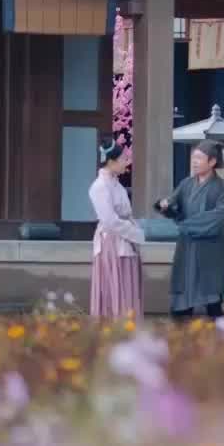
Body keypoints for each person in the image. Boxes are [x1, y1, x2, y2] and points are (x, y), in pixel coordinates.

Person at [156, 139, 224, 323]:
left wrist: (186, 225)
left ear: (212, 161)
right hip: (187, 248)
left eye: (199, 158)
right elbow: (174, 208)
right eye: (193, 158)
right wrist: (165, 206)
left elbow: (218, 216)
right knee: (183, 299)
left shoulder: (223, 188)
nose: (194, 162)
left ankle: (222, 337)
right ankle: (181, 336)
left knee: (212, 301)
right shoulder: (186, 184)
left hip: (209, 250)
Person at [89, 136, 144, 322]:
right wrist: (135, 233)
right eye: (123, 159)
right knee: (115, 286)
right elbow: (110, 220)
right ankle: (114, 326)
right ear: (111, 162)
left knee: (127, 286)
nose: (126, 162)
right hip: (112, 242)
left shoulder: (115, 183)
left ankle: (128, 326)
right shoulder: (100, 186)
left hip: (124, 237)